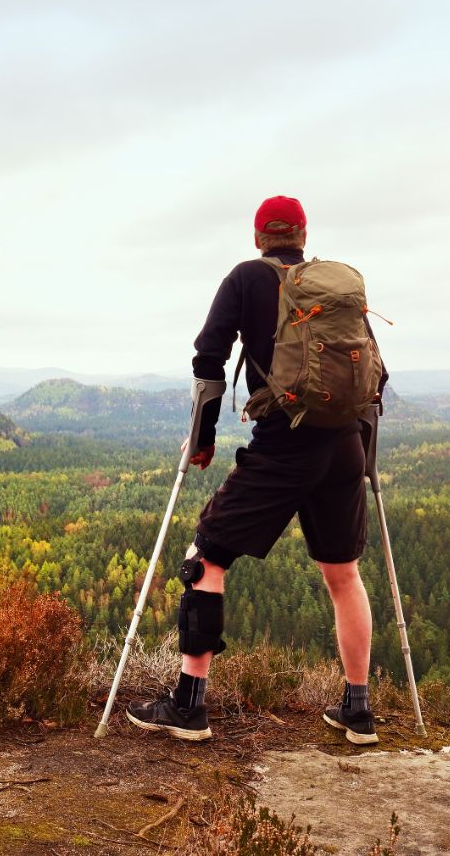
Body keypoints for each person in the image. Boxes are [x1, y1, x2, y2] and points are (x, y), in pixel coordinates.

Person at [126, 196, 386, 745]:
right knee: (344, 574)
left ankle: (189, 705)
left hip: (284, 447)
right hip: (344, 446)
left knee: (205, 559)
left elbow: (208, 358)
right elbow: (371, 376)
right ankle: (357, 711)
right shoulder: (338, 289)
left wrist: (203, 438)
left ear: (257, 236)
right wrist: (364, 456)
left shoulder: (245, 279)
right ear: (303, 234)